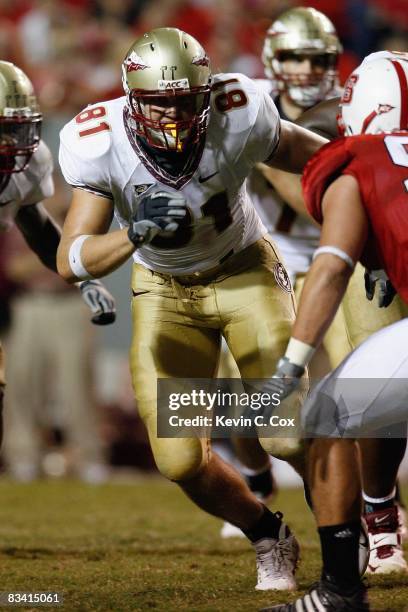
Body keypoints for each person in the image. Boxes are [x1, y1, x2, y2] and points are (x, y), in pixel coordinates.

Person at [56, 27, 327, 591]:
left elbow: (317, 158)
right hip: (164, 289)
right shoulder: (99, 138)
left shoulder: (241, 109)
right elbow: (72, 257)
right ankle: (267, 532)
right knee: (180, 461)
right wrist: (134, 233)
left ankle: (352, 539)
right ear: (132, 99)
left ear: (207, 92)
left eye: (186, 101)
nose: (175, 117)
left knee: (287, 434)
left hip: (244, 270)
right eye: (160, 103)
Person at [262, 51, 408, 612]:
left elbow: (329, 269)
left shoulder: (360, 161)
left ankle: (340, 591)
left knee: (328, 411)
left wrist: (290, 365)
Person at [219, 6, 347, 540]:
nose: (305, 68)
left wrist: (262, 148)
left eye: (316, 57)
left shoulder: (347, 114)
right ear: (274, 56)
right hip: (266, 267)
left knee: (355, 392)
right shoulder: (250, 108)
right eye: (294, 55)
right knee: (230, 397)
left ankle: (380, 507)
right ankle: (256, 481)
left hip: (335, 262)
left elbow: (312, 202)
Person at [0, 60, 116, 449]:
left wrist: (84, 279)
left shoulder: (30, 162)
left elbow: (38, 229)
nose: (14, 142)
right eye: (4, 129)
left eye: (18, 128)